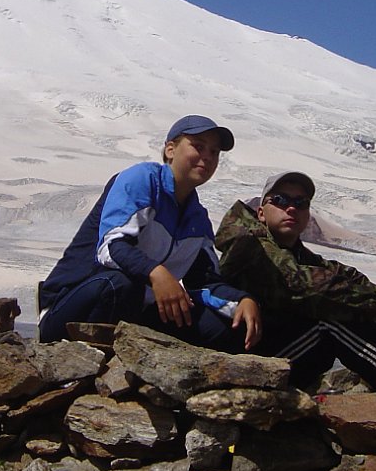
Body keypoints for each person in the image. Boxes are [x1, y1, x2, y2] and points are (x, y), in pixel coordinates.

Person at [37, 115, 260, 352]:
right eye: (198, 146)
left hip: (136, 311)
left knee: (224, 326)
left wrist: (242, 301)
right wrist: (156, 273)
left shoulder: (197, 218)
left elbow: (203, 281)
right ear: (170, 150)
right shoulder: (140, 180)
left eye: (214, 152)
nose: (207, 156)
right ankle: (82, 369)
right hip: (74, 306)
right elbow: (110, 247)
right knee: (121, 285)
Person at [216, 171, 376, 401]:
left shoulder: (296, 254)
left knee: (347, 311)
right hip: (242, 362)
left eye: (301, 203)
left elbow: (343, 275)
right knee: (328, 327)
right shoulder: (250, 246)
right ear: (261, 212)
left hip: (272, 353)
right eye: (280, 200)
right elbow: (307, 287)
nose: (291, 208)